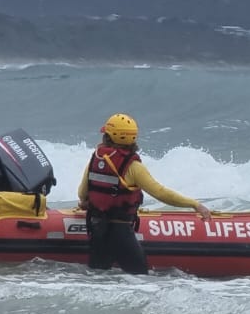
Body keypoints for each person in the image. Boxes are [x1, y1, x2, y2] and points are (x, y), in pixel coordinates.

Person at [78, 113, 212, 274]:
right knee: (141, 279)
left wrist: (89, 202)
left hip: (97, 229)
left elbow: (82, 193)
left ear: (108, 136)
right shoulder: (133, 166)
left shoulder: (96, 159)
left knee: (99, 277)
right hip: (120, 232)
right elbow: (160, 193)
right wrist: (194, 204)